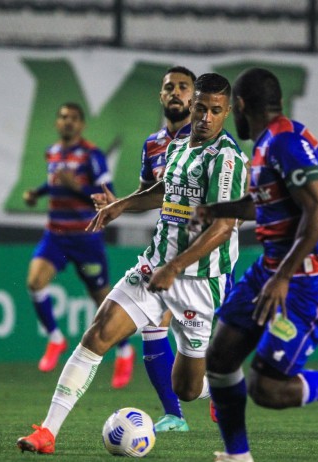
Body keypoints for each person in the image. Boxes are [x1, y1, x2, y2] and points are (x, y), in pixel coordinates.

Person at [16, 73, 248, 455]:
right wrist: (121, 204)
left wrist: (174, 269)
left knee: (186, 389)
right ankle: (47, 432)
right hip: (154, 265)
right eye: (202, 108)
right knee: (98, 333)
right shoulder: (176, 147)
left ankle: (222, 384)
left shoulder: (226, 160)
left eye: (216, 111)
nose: (206, 117)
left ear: (226, 114)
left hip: (199, 281)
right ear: (192, 107)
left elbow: (223, 228)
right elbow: (161, 191)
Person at [186, 68, 318, 462]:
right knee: (221, 357)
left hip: (309, 280)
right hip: (272, 268)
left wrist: (282, 277)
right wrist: (219, 210)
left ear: (240, 107)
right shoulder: (269, 143)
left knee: (268, 387)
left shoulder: (285, 144)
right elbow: (267, 204)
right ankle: (237, 457)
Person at [92, 66, 198, 431]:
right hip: (167, 247)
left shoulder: (204, 141)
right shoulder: (152, 144)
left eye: (183, 87)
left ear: (195, 97)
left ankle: (213, 395)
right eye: (169, 86)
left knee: (192, 355)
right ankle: (176, 415)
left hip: (202, 252)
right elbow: (149, 195)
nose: (176, 92)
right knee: (155, 329)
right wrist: (120, 203)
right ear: (161, 96)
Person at [22, 102, 135, 385]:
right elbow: (55, 183)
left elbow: (108, 194)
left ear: (81, 124)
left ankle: (123, 350)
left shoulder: (92, 155)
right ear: (57, 123)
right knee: (35, 281)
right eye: (62, 117)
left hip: (86, 236)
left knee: (102, 300)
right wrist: (37, 193)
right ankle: (56, 339)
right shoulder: (53, 152)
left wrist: (78, 189)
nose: (67, 122)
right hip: (56, 235)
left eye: (73, 118)